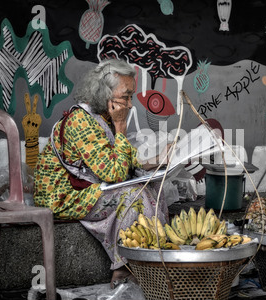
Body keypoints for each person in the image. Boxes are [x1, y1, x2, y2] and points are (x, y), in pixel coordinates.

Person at [34, 58, 169, 285]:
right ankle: (124, 267)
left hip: (89, 188)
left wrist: (156, 162)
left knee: (154, 186)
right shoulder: (81, 121)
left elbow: (123, 160)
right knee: (133, 196)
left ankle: (153, 258)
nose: (130, 104)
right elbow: (114, 173)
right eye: (125, 96)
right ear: (106, 95)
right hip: (63, 196)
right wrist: (121, 129)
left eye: (130, 96)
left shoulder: (100, 119)